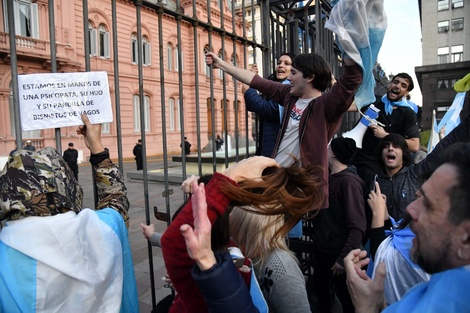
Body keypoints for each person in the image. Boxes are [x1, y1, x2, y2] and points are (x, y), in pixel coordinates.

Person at [0, 115, 138, 312]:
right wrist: (96, 146)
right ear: (67, 186)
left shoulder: (5, 254)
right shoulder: (100, 229)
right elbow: (116, 198)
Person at [160, 156, 325, 313]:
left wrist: (226, 180)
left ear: (252, 214)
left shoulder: (281, 267)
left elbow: (174, 244)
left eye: (230, 207)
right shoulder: (234, 250)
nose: (226, 213)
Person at [205, 51, 362, 209]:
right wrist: (221, 64)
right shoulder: (290, 96)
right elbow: (256, 81)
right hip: (275, 176)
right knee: (231, 192)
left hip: (297, 185)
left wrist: (349, 49)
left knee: (242, 205)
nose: (288, 78)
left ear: (310, 77)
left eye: (293, 73)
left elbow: (350, 81)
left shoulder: (326, 105)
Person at [344, 142, 470, 313]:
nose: (411, 209)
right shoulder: (432, 289)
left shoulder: (444, 305)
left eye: (428, 204)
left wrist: (365, 308)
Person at [374, 112, 470, 221]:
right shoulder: (374, 182)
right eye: (386, 147)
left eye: (396, 146)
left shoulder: (415, 173)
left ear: (404, 153)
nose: (390, 149)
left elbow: (444, 147)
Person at [312, 137, 366, 313]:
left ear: (334, 153)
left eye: (328, 148)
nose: (325, 150)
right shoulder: (329, 179)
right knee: (322, 298)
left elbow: (357, 226)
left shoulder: (349, 182)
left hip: (340, 256)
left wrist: (343, 260)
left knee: (348, 302)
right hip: (324, 253)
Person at [350, 73, 420, 186]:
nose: (397, 86)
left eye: (403, 85)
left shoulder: (408, 113)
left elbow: (415, 146)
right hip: (360, 159)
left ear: (406, 92)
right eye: (395, 82)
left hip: (383, 166)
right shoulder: (373, 100)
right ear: (389, 84)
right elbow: (348, 106)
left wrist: (386, 136)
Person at [243, 53, 295, 157]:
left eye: (287, 63)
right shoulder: (275, 86)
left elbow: (267, 109)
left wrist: (248, 89)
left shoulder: (290, 89)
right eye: (279, 63)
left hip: (279, 151)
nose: (280, 65)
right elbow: (254, 104)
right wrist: (254, 80)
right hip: (269, 147)